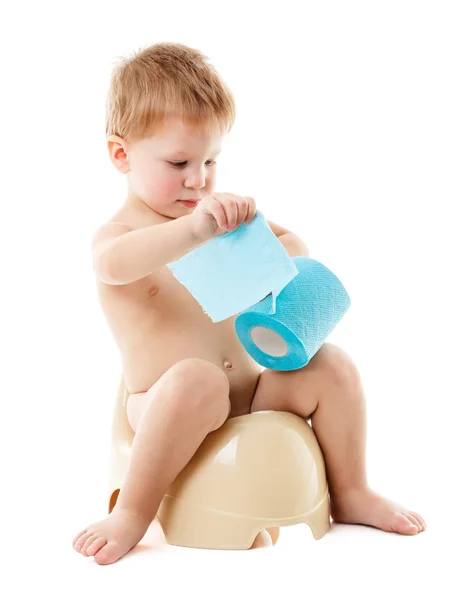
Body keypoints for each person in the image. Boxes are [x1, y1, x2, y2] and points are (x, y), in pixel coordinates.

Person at [72, 42, 425, 565]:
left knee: (331, 365)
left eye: (211, 160)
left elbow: (294, 250)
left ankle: (350, 491)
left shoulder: (215, 219)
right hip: (160, 405)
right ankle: (133, 510)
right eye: (179, 162)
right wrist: (193, 231)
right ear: (121, 154)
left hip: (249, 398)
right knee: (197, 378)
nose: (198, 179)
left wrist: (254, 247)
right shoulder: (122, 234)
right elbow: (114, 265)